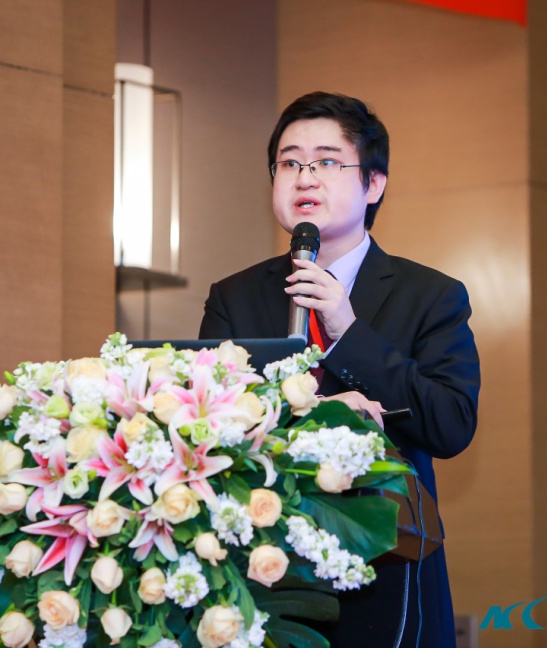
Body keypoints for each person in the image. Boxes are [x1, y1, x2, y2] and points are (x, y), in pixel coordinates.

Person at [200, 91, 480, 647]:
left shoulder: (429, 295)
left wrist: (348, 332)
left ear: (374, 184)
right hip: (262, 577)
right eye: (288, 163)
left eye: (326, 161)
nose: (304, 177)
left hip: (386, 579)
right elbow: (210, 425)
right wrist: (316, 416)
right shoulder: (235, 296)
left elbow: (450, 424)